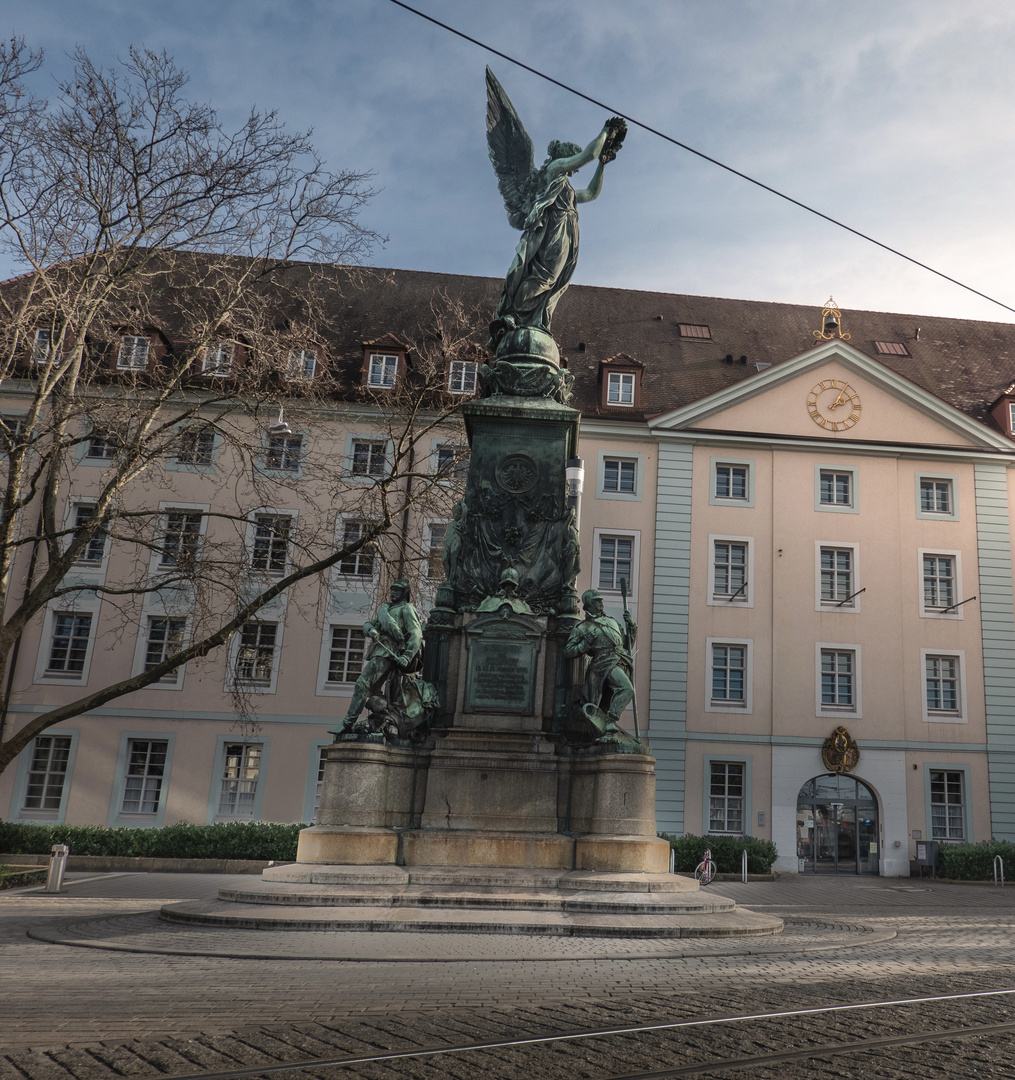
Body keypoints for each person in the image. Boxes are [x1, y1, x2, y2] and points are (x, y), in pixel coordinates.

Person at [334, 579, 423, 732]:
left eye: (397, 590)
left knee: (362, 684)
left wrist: (407, 656)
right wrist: (372, 631)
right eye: (392, 590)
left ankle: (348, 723)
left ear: (404, 593)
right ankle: (385, 715)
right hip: (380, 650)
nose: (393, 593)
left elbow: (416, 634)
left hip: (389, 653)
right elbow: (369, 624)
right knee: (373, 690)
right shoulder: (386, 609)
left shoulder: (407, 609)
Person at [564, 588, 636, 733]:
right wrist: (585, 644)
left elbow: (627, 645)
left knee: (607, 702)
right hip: (603, 664)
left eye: (600, 600)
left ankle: (607, 724)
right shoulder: (582, 627)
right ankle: (611, 720)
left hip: (621, 661)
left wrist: (631, 628)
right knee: (627, 689)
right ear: (588, 604)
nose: (601, 603)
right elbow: (568, 651)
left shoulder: (612, 621)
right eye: (597, 601)